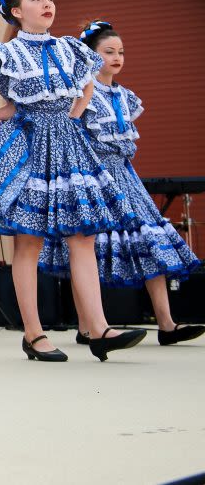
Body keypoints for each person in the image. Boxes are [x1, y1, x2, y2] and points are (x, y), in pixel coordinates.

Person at [0, 0, 147, 361]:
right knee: (29, 240)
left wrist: (75, 113)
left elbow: (88, 84)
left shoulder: (72, 48)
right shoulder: (5, 54)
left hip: (69, 146)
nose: (47, 4)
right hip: (28, 147)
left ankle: (99, 327)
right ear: (17, 12)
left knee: (83, 235)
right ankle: (34, 334)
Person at [39, 20, 203, 345]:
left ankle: (167, 324)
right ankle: (87, 326)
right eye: (109, 51)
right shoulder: (79, 94)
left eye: (121, 52)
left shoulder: (126, 97)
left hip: (126, 177)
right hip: (92, 177)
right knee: (87, 247)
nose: (117, 57)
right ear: (91, 55)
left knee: (150, 242)